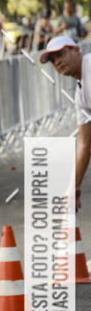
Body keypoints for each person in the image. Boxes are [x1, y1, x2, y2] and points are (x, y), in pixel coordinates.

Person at [40, 35, 91, 211]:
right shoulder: (81, 95)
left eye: (61, 54)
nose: (57, 62)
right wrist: (74, 185)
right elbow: (84, 144)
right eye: (53, 60)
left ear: (76, 50)